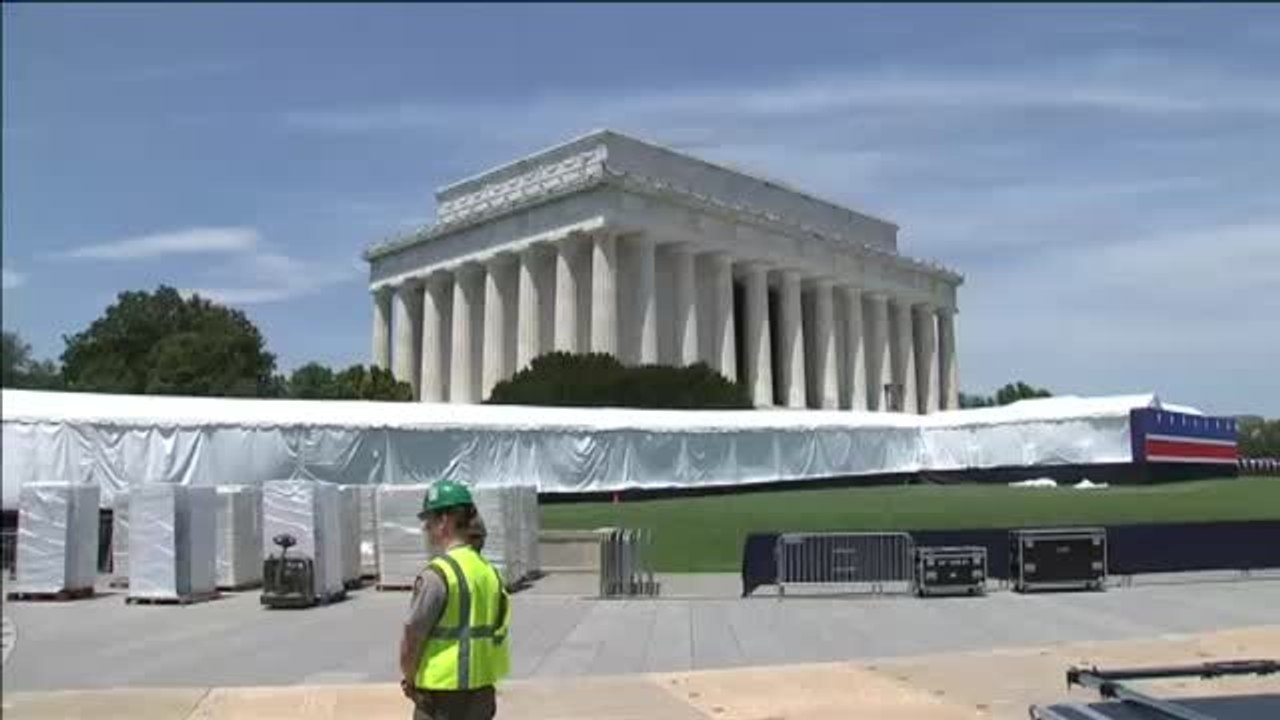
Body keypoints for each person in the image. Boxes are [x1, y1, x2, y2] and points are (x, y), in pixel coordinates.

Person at [400, 480, 510, 720]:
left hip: (441, 699)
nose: (425, 528)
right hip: (481, 694)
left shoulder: (437, 576)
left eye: (429, 520)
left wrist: (409, 679)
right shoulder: (489, 573)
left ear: (444, 521)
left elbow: (412, 636)